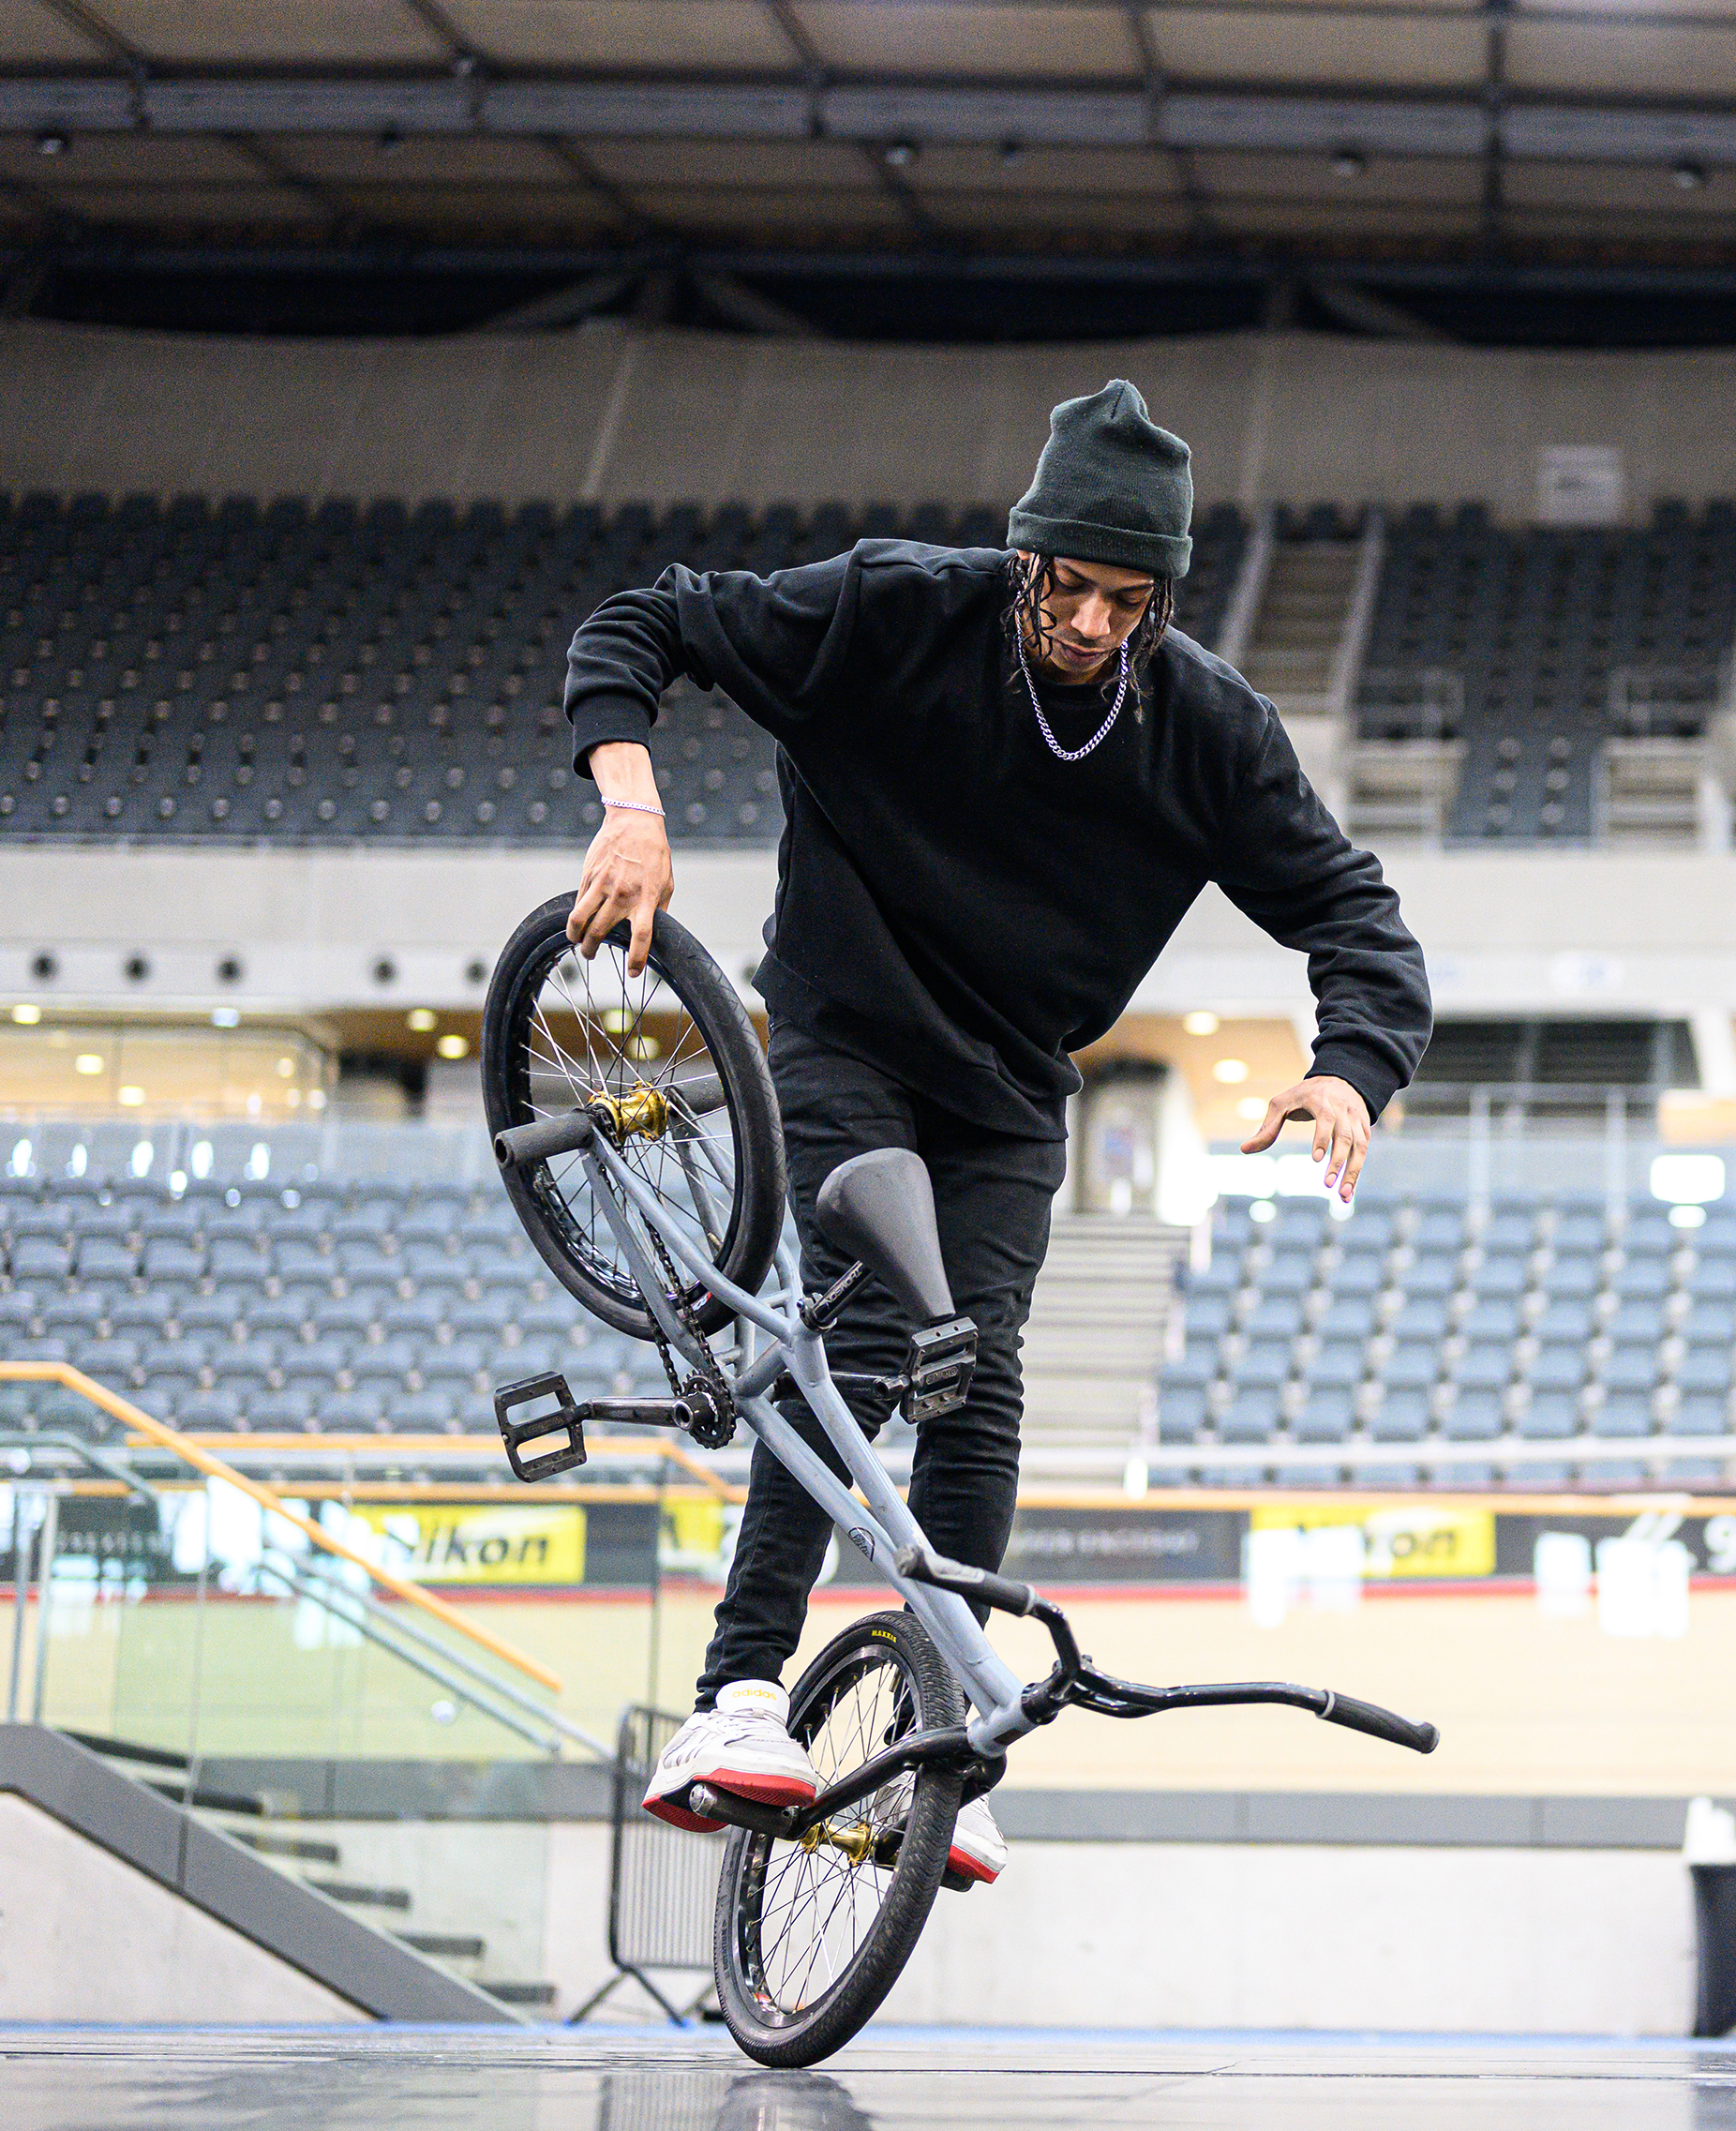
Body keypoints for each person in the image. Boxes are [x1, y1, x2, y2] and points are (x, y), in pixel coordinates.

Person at [561, 380, 1434, 1880]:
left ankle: (945, 1720)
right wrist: (630, 808)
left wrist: (1350, 1067)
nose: (1093, 626)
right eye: (1072, 588)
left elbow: (1361, 918)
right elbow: (639, 626)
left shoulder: (1208, 728)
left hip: (1014, 1079)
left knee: (981, 1369)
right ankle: (734, 1696)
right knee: (871, 1327)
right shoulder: (898, 610)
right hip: (843, 1022)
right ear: (1026, 557)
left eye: (1130, 599)